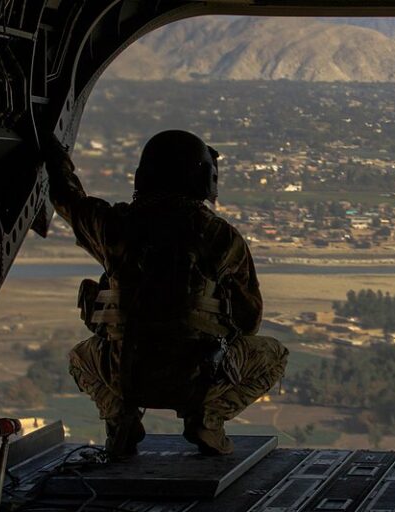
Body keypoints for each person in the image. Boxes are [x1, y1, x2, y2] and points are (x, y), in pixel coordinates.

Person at [42, 130, 288, 458]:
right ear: (203, 179)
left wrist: (50, 150)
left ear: (144, 176)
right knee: (274, 355)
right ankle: (207, 420)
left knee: (80, 357)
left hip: (125, 377)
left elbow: (67, 198)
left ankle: (120, 419)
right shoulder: (219, 237)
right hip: (198, 380)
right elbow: (249, 321)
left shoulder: (114, 227)